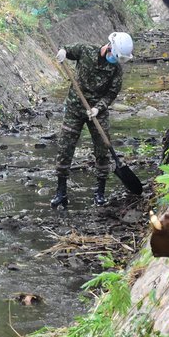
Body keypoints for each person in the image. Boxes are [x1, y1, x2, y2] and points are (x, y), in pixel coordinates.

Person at [49, 32, 133, 209]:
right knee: (65, 146)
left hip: (96, 111)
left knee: (103, 148)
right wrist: (63, 52)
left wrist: (98, 108)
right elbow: (68, 49)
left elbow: (112, 93)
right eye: (115, 56)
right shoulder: (85, 50)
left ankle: (100, 193)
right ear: (109, 48)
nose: (115, 60)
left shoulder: (116, 69)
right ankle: (61, 192)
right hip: (74, 107)